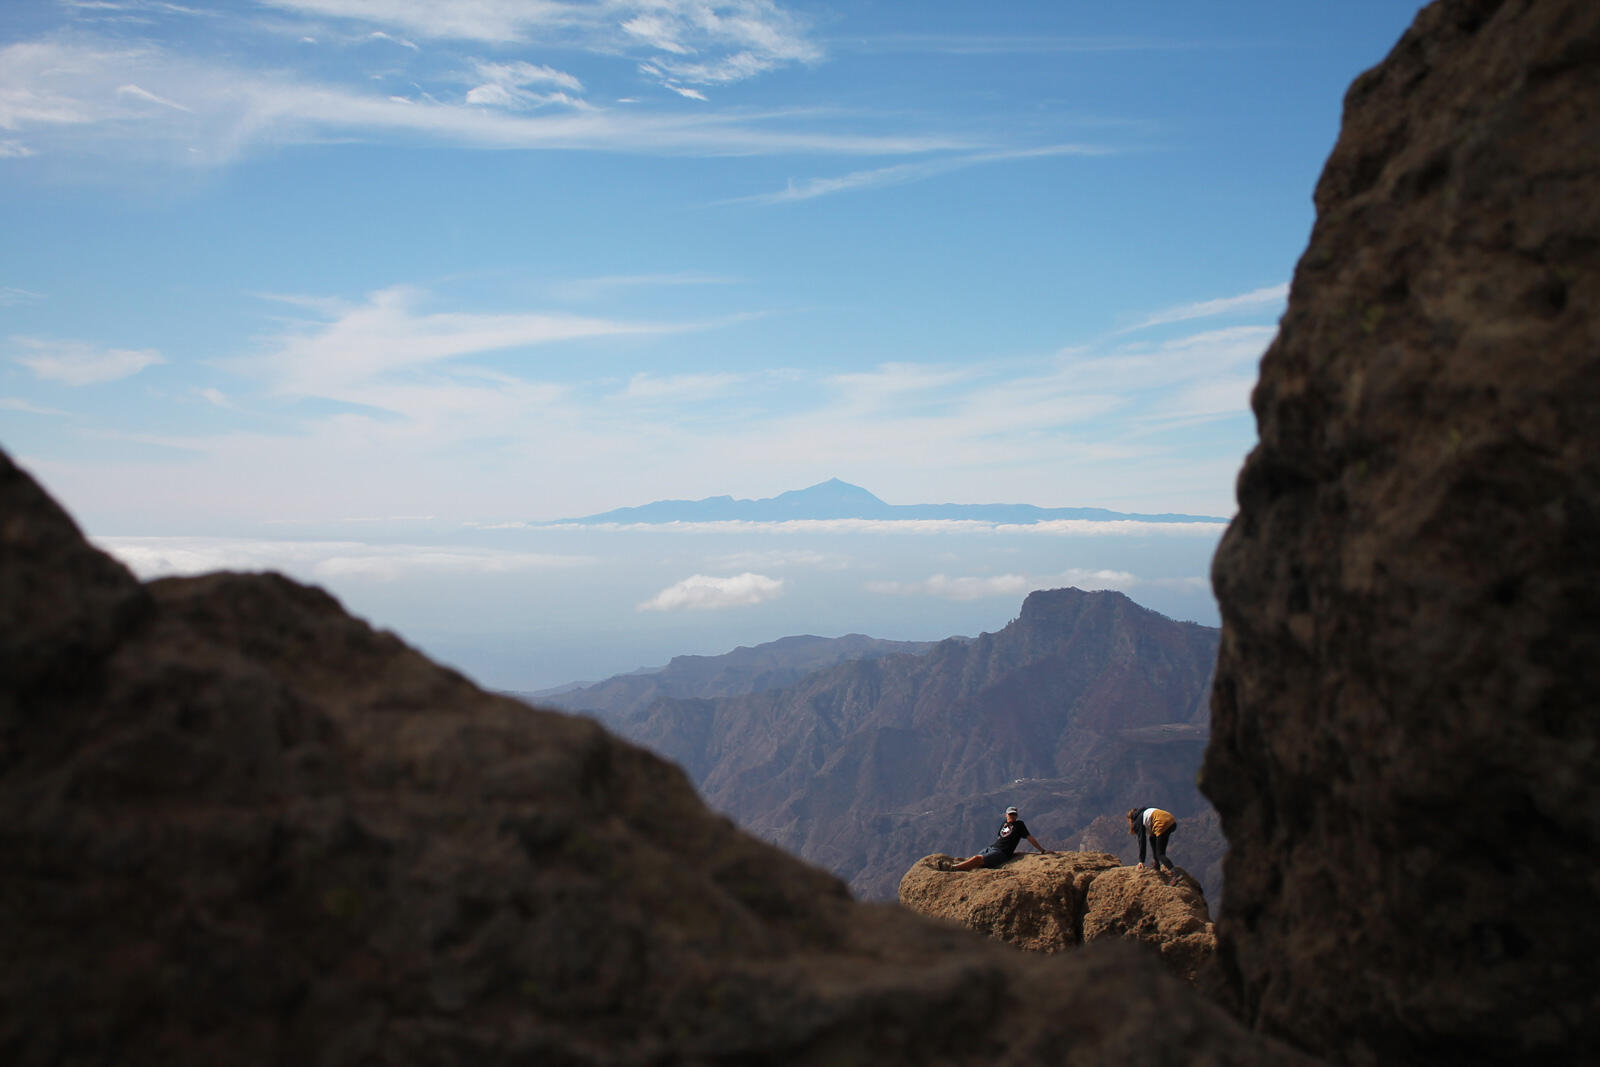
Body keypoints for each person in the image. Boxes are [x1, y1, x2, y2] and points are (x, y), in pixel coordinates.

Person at [949, 806, 1051, 870]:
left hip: (1002, 853)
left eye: (1014, 814)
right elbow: (1000, 837)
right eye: (1010, 814)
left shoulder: (1019, 825)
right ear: (1006, 815)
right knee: (975, 859)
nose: (1012, 816)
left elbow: (1029, 838)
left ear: (1017, 816)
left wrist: (1042, 850)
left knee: (978, 859)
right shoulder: (1004, 823)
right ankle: (957, 866)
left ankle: (953, 868)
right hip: (992, 848)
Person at [1128, 806, 1180, 885]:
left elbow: (1142, 840)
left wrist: (1141, 861)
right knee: (1152, 839)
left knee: (1160, 854)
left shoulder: (1138, 820)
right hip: (1171, 821)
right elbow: (1152, 839)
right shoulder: (1146, 812)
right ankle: (1157, 864)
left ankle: (1176, 874)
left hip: (1162, 824)